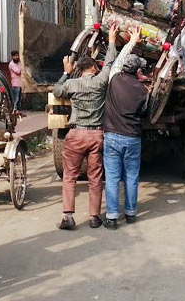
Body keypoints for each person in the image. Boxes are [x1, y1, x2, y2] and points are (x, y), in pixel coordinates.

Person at [53, 25, 119, 230]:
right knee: (95, 177)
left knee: (70, 176)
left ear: (79, 70)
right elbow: (109, 63)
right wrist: (111, 41)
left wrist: (66, 73)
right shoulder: (100, 82)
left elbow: (56, 90)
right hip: (96, 135)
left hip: (76, 134)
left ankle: (68, 217)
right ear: (93, 68)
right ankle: (94, 217)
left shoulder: (72, 85)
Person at [102, 30, 148, 230]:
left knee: (112, 177)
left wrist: (132, 41)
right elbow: (146, 112)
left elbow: (118, 59)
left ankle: (112, 217)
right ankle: (130, 213)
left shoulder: (113, 79)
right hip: (132, 138)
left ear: (123, 69)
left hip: (112, 136)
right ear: (138, 72)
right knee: (131, 176)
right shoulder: (142, 90)